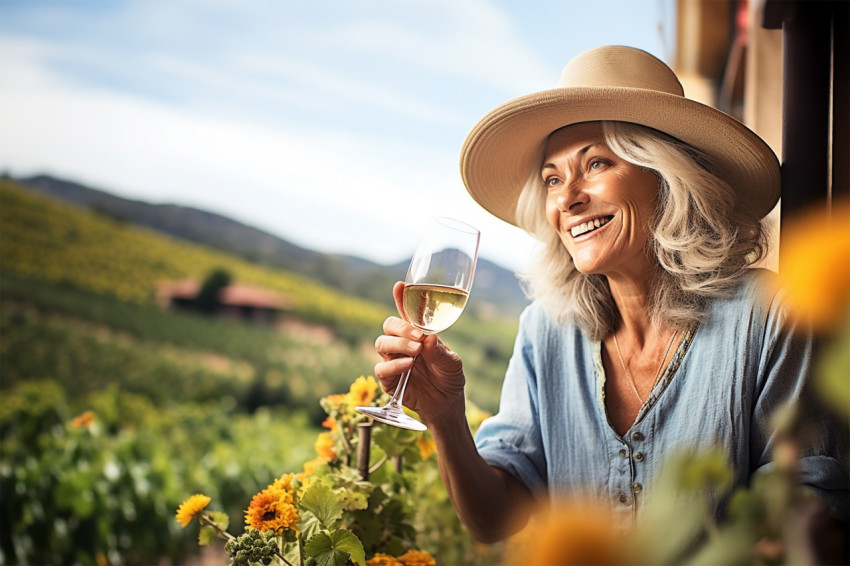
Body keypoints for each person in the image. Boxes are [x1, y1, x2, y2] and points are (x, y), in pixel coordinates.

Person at [373, 46, 848, 544]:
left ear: (668, 177)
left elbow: (806, 524)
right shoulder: (545, 330)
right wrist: (445, 415)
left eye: (595, 163)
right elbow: (494, 519)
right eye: (552, 178)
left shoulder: (769, 314)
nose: (566, 198)